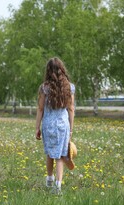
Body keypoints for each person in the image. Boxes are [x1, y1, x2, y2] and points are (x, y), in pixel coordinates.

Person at [35, 57, 75, 194]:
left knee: (50, 154)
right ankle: (57, 187)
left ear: (48, 70)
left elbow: (40, 109)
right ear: (62, 69)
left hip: (48, 125)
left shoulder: (44, 88)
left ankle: (49, 180)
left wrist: (37, 128)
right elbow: (71, 109)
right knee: (61, 156)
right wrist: (71, 129)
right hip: (63, 125)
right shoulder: (69, 87)